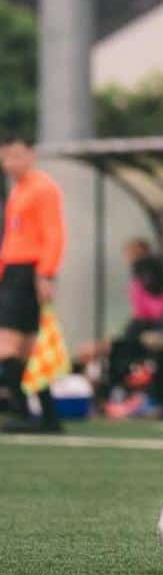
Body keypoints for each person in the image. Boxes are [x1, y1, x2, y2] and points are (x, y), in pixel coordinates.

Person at [0, 136, 66, 433]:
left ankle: (24, 411)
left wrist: (46, 273)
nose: (9, 163)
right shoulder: (18, 191)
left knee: (7, 345)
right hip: (14, 272)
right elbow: (12, 238)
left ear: (31, 155)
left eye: (15, 156)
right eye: (5, 157)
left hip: (29, 272)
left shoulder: (43, 187)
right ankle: (48, 417)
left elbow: (54, 233)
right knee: (26, 349)